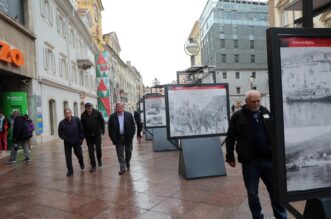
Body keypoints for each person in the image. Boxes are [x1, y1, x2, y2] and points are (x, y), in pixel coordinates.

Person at [225, 90, 287, 219]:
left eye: (258, 100)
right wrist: (230, 156)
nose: (257, 103)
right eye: (253, 101)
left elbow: (275, 132)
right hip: (250, 162)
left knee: (276, 191)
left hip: (269, 160)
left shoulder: (265, 112)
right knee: (253, 193)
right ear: (246, 102)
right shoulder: (237, 116)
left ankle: (281, 216)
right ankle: (257, 216)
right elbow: (230, 137)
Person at [108, 102, 135, 175]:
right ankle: (122, 168)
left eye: (120, 106)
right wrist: (112, 137)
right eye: (117, 107)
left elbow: (133, 126)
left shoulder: (129, 115)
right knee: (120, 153)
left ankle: (127, 162)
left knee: (128, 151)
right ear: (116, 108)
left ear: (123, 107)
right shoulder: (112, 116)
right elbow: (109, 128)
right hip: (118, 137)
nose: (119, 108)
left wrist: (131, 135)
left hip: (128, 137)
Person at [58, 109, 85, 176]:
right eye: (66, 113)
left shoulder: (76, 119)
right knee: (68, 157)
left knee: (79, 153)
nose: (68, 114)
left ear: (71, 113)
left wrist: (81, 138)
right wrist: (64, 138)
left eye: (69, 113)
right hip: (67, 142)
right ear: (64, 114)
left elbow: (81, 129)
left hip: (76, 141)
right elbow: (60, 133)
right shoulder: (62, 123)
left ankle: (81, 162)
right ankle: (70, 170)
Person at [81, 103, 105, 172]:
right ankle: (93, 165)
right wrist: (82, 135)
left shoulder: (97, 113)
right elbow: (82, 125)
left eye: (90, 107)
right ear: (85, 108)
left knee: (98, 148)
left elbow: (102, 121)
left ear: (92, 107)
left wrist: (102, 130)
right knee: (90, 150)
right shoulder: (83, 115)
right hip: (88, 136)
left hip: (97, 134)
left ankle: (99, 159)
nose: (89, 109)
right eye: (87, 108)